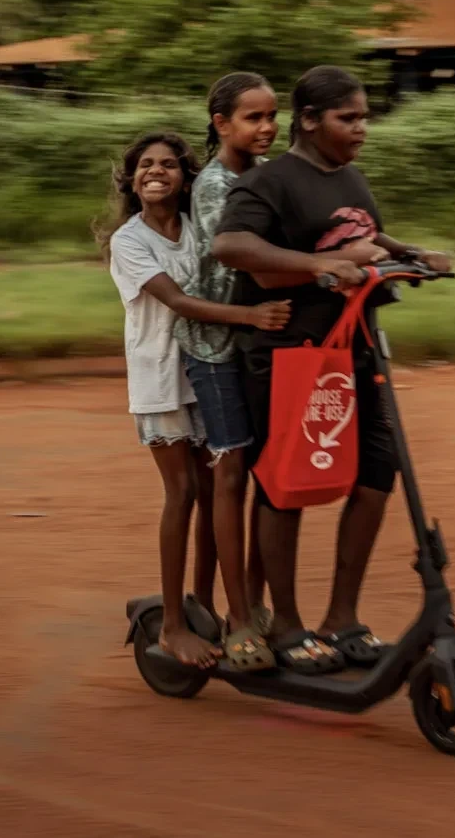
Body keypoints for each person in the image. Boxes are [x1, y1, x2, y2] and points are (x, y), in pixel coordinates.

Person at [211, 65, 451, 675]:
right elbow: (235, 247)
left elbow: (360, 232)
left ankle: (341, 617)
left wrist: (408, 253)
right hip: (293, 352)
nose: (362, 128)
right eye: (349, 118)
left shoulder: (348, 176)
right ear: (310, 120)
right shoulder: (271, 182)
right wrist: (327, 266)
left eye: (364, 117)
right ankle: (287, 624)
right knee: (285, 481)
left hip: (358, 349)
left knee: (378, 469)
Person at [98, 131, 290, 671]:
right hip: (162, 375)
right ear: (132, 179)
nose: (155, 172)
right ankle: (175, 628)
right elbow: (179, 301)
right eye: (145, 165)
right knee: (181, 493)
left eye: (168, 165)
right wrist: (252, 317)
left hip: (206, 368)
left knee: (216, 494)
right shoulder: (129, 241)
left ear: (186, 178)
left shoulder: (195, 228)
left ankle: (208, 606)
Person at [173, 73, 279, 673]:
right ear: (221, 125)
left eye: (272, 117)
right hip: (215, 343)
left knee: (269, 471)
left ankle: (259, 608)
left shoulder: (263, 175)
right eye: (253, 118)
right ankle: (239, 619)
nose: (266, 128)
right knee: (231, 469)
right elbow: (240, 256)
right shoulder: (216, 185)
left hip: (255, 341)